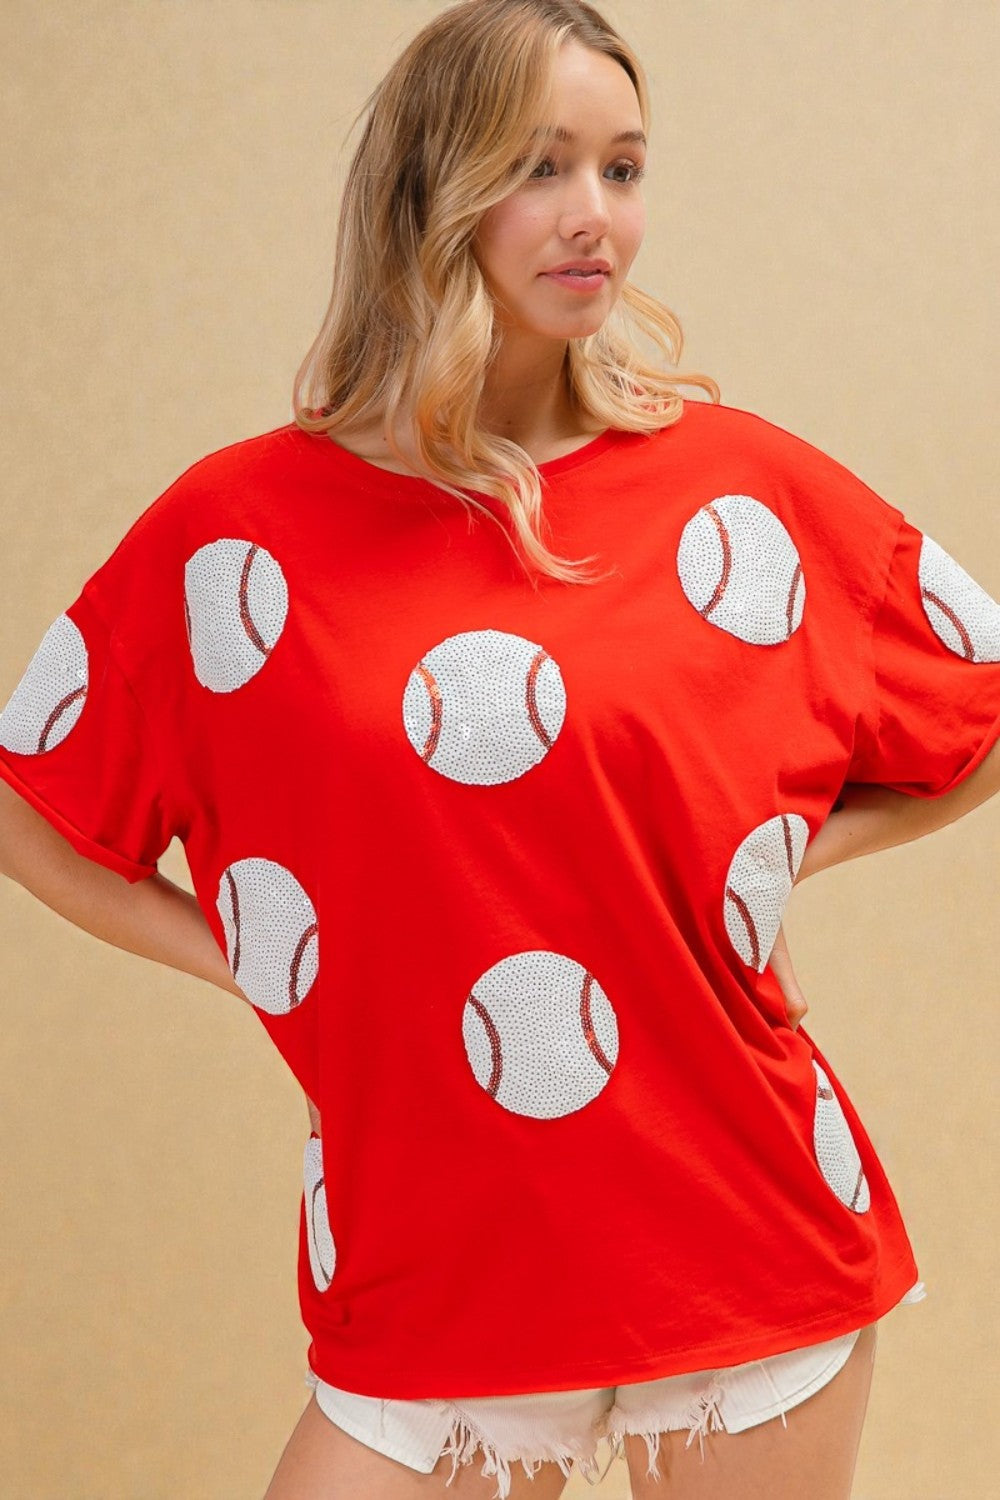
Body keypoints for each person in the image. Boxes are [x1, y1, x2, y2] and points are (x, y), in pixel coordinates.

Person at [0, 1, 998, 1497]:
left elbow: (973, 696)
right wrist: (260, 951)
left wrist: (787, 844)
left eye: (625, 167)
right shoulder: (238, 537)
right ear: (432, 190)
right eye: (543, 167)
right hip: (429, 1267)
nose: (596, 218)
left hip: (738, 1235)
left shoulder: (738, 492)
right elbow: (36, 797)